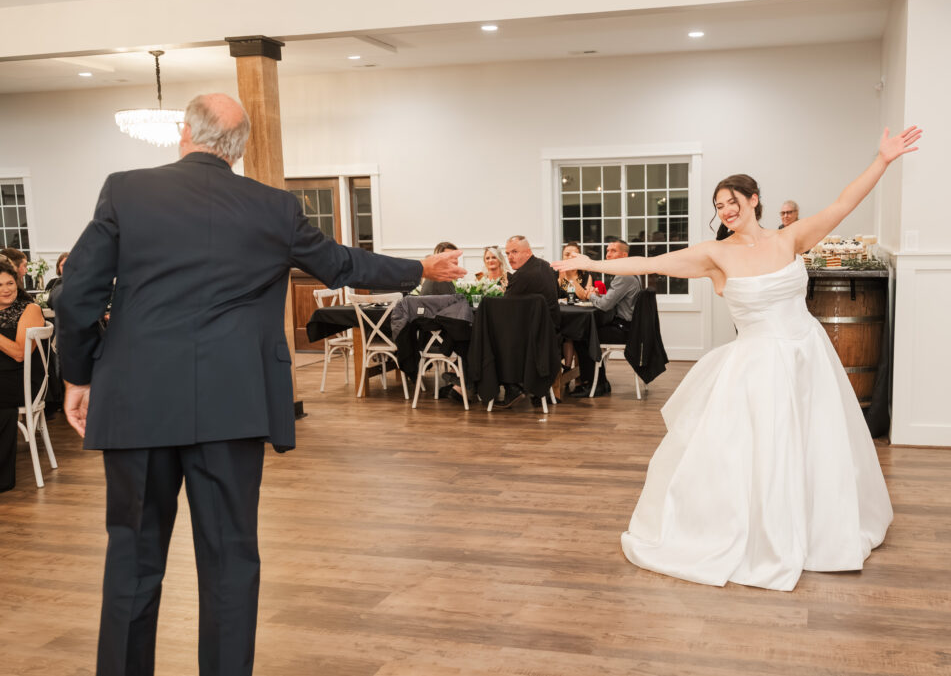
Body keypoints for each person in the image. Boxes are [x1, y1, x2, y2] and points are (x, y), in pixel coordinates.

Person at [57, 92, 464, 676]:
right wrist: (419, 268)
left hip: (136, 400)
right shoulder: (274, 207)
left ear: (183, 134)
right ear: (240, 149)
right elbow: (344, 265)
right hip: (232, 405)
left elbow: (77, 295)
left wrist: (78, 375)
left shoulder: (125, 189)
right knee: (229, 560)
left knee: (133, 559)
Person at [554, 125, 921, 591]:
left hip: (807, 353)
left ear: (754, 200)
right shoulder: (714, 254)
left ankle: (818, 526)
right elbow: (649, 263)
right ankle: (756, 532)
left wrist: (883, 159)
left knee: (815, 442)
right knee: (760, 452)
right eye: (719, 207)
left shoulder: (789, 239)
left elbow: (843, 204)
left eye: (732, 202)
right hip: (758, 365)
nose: (726, 211)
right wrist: (589, 264)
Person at [569, 239, 642, 398]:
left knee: (583, 335)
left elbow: (604, 306)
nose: (608, 254)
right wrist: (600, 296)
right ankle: (600, 383)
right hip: (629, 327)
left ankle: (594, 385)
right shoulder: (630, 273)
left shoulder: (624, 276)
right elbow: (611, 300)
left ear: (624, 255)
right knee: (587, 333)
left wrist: (592, 295)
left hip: (624, 330)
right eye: (607, 250)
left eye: (613, 251)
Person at [495, 235, 560, 408]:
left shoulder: (522, 275)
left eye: (515, 252)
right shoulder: (545, 267)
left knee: (491, 337)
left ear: (528, 252)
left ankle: (511, 387)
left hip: (531, 339)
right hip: (549, 333)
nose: (510, 257)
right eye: (508, 253)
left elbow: (505, 308)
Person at [0, 261, 45, 492]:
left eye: (10, 283)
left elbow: (19, 353)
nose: (6, 289)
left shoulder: (29, 309)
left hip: (23, 381)